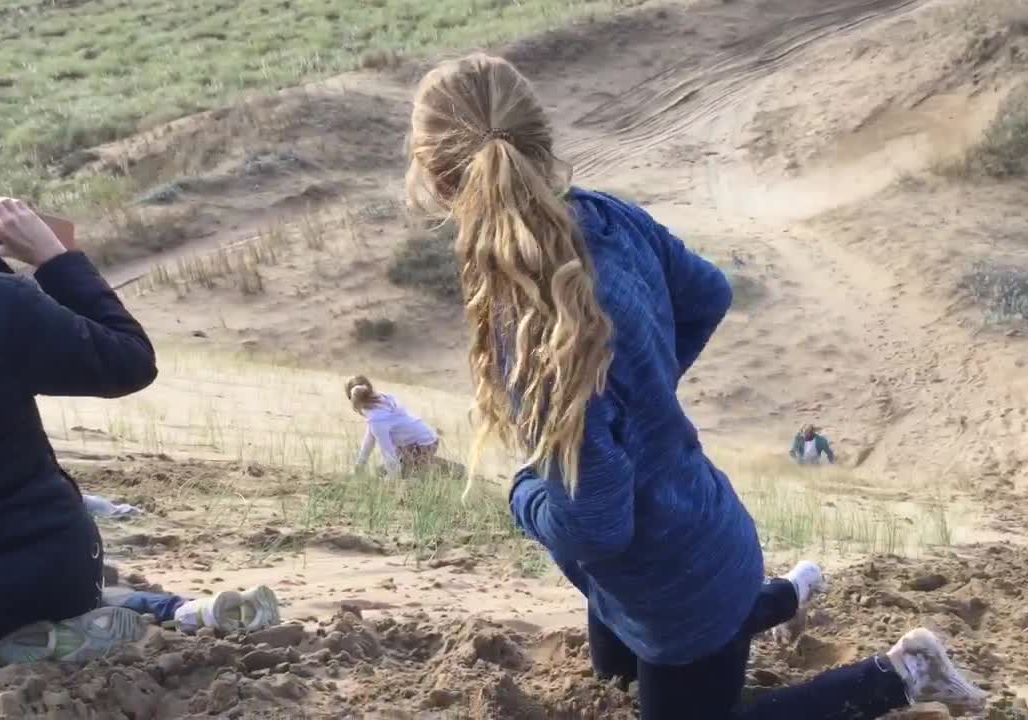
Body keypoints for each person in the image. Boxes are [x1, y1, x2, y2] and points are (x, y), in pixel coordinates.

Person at [403, 54, 988, 719]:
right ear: (542, 141)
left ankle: (903, 674)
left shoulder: (529, 325)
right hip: (702, 535)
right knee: (614, 676)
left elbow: (595, 526)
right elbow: (708, 294)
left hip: (679, 593)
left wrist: (524, 491)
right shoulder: (607, 217)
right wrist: (645, 396)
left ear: (440, 182)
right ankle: (791, 594)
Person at [0, 197, 280, 663]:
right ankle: (167, 613)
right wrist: (56, 259)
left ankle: (119, 618)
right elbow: (130, 360)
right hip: (42, 580)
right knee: (93, 588)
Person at [346, 375, 440, 477]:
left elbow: (387, 452)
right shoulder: (382, 401)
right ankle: (419, 464)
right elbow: (369, 439)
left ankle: (426, 469)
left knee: (396, 473)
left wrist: (392, 478)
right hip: (428, 439)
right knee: (381, 470)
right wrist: (359, 466)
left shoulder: (377, 420)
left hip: (423, 445)